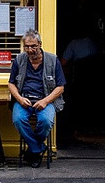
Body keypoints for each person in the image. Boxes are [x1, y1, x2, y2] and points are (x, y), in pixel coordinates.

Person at [8, 29, 66, 168]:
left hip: (45, 100)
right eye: (27, 46)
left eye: (33, 46)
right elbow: (11, 84)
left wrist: (45, 101)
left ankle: (32, 152)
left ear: (40, 44)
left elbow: (60, 87)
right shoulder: (19, 60)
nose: (30, 50)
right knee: (18, 120)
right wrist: (20, 99)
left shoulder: (53, 60)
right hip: (24, 100)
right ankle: (38, 148)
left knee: (46, 121)